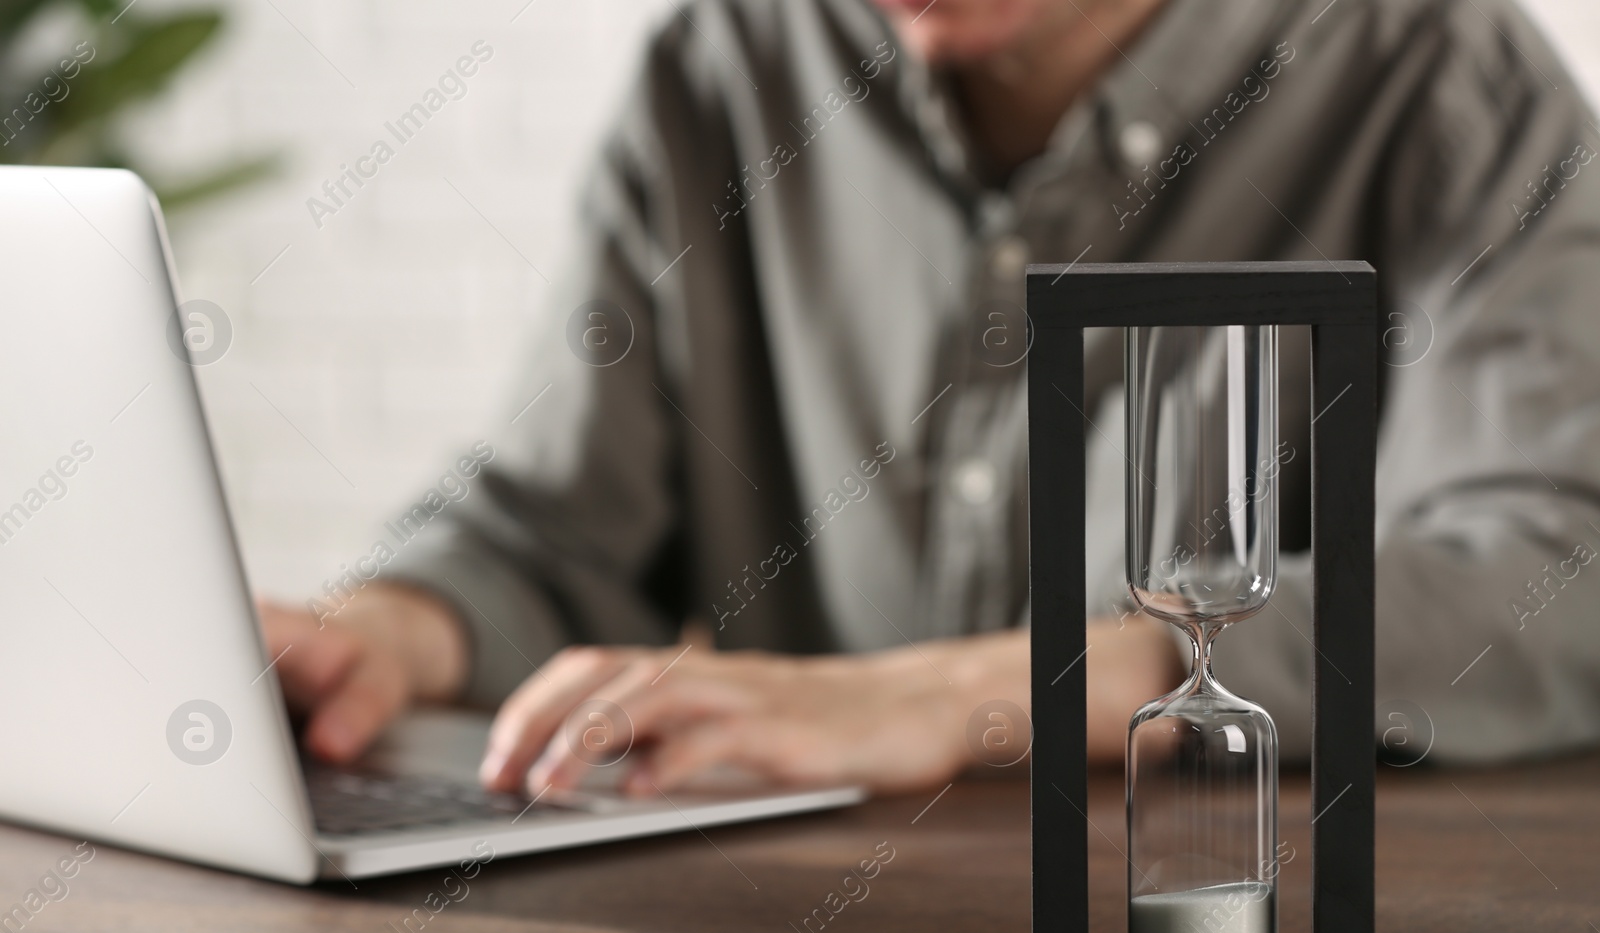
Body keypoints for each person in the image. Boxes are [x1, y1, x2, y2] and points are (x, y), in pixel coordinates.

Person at [260, 0, 1600, 797]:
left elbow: (1554, 574)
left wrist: (988, 691)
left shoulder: (1436, 78)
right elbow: (554, 537)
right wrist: (385, 629)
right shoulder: (732, 57)